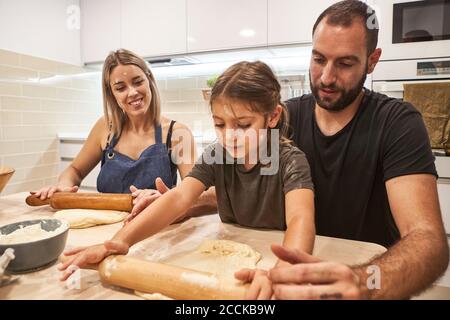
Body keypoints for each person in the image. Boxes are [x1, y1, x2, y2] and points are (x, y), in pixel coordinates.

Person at [58, 61, 316, 300]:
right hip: (230, 252)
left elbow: (300, 219)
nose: (230, 136)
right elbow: (179, 197)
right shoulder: (218, 156)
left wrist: (283, 273)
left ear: (272, 117)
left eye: (243, 125)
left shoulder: (290, 161)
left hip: (275, 257)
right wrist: (118, 242)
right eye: (220, 124)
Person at [259, 0, 448, 300]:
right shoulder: (284, 120)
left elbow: (429, 240)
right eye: (319, 59)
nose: (326, 77)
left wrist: (365, 282)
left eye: (345, 63)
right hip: (289, 283)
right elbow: (241, 185)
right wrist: (185, 201)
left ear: (372, 61)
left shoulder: (397, 123)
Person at [32, 49, 216, 218]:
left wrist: (165, 198)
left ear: (150, 81)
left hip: (156, 228)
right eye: (121, 88)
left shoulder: (177, 133)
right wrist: (64, 187)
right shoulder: (106, 127)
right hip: (103, 227)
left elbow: (196, 194)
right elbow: (75, 170)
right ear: (112, 94)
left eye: (138, 82)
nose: (132, 92)